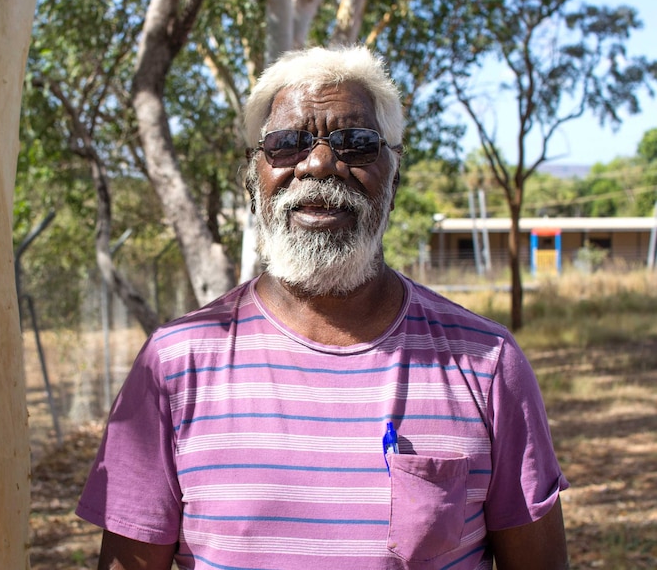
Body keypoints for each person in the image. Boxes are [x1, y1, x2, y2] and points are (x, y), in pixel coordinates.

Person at [76, 45, 569, 570]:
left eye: (355, 143)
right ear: (252, 181)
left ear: (394, 180)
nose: (319, 164)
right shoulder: (173, 366)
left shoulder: (487, 363)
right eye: (287, 144)